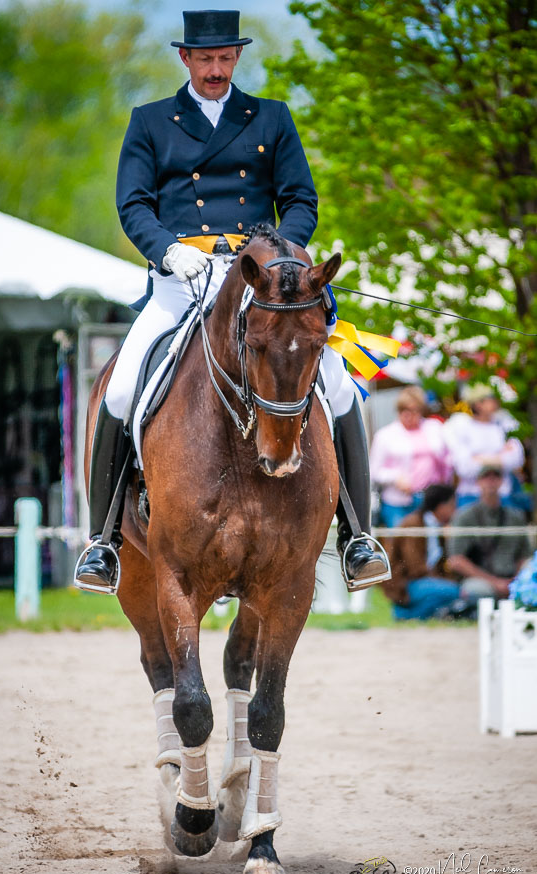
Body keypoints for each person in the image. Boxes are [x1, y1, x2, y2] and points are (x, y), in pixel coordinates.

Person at [74, 9, 389, 593]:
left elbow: (299, 199)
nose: (216, 69)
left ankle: (357, 534)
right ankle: (103, 543)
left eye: (225, 59)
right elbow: (133, 205)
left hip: (260, 277)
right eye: (205, 59)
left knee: (341, 381)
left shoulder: (270, 117)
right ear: (186, 59)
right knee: (120, 388)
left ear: (237, 58)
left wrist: (282, 255)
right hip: (182, 276)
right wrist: (167, 250)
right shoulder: (150, 122)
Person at [446, 462, 531, 610]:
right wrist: (495, 582)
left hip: (512, 579)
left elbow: (524, 556)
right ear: (478, 481)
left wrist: (517, 581)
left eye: (495, 477)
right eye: (486, 477)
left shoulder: (515, 517)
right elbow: (456, 560)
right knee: (478, 592)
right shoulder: (464, 516)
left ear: (502, 481)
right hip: (480, 580)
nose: (491, 481)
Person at [369, 386, 453, 527]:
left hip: (431, 500)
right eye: (404, 410)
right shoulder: (385, 435)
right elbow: (373, 471)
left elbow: (448, 457)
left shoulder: (434, 428)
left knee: (431, 542)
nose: (409, 415)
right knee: (403, 541)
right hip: (399, 501)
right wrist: (396, 478)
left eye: (414, 410)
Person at [383, 484, 460, 620]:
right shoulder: (413, 524)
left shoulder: (437, 526)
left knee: (448, 593)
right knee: (455, 591)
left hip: (425, 581)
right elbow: (415, 568)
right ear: (441, 506)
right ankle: (406, 615)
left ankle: (407, 615)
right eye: (452, 505)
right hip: (407, 583)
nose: (455, 510)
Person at [443, 383, 525, 508]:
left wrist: (479, 458)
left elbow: (516, 459)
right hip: (470, 496)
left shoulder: (504, 424)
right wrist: (499, 457)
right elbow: (465, 467)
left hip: (503, 496)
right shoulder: (462, 426)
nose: (496, 402)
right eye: (490, 399)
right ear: (478, 404)